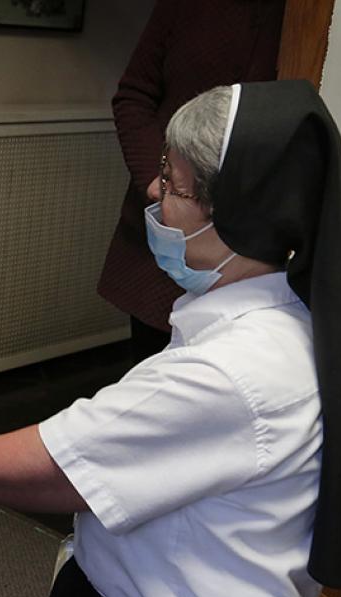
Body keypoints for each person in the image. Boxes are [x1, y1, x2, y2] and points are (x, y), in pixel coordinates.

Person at [0, 81, 341, 597]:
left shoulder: (225, 374)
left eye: (172, 184)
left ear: (239, 217)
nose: (154, 190)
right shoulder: (293, 317)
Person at [100, 0, 286, 361]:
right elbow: (134, 95)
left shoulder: (307, 17)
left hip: (255, 251)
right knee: (152, 372)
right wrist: (163, 182)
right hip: (171, 233)